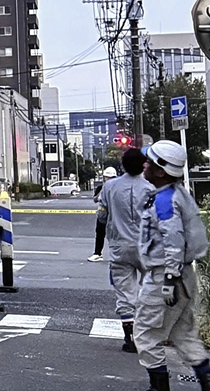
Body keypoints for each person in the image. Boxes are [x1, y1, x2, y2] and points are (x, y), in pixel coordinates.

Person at [135, 140, 210, 391]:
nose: (144, 165)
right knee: (183, 335)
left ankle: (159, 388)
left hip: (166, 278)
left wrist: (168, 278)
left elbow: (173, 239)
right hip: (183, 275)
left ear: (160, 171)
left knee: (146, 334)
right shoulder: (176, 195)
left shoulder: (165, 200)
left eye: (150, 162)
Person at [97, 151, 149, 352]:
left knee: (125, 292)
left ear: (122, 166)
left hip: (120, 245)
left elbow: (102, 217)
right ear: (143, 165)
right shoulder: (150, 187)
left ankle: (130, 337)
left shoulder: (110, 187)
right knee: (150, 289)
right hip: (147, 246)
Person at [88, 166, 119, 262]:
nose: (108, 179)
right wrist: (102, 191)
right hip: (102, 214)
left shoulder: (118, 188)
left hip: (115, 214)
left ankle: (117, 255)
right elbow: (95, 199)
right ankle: (97, 253)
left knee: (115, 234)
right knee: (100, 233)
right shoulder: (101, 187)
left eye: (111, 178)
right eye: (107, 177)